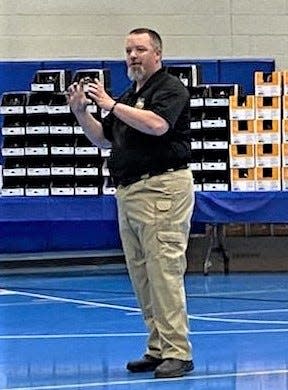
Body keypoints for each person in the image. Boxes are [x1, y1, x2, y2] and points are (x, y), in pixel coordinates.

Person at [67, 28, 194, 379]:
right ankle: (158, 347)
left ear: (158, 54)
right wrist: (81, 113)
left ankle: (178, 352)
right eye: (128, 51)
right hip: (129, 193)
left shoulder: (169, 89)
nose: (133, 57)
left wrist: (110, 104)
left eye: (140, 49)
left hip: (161, 189)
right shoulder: (128, 95)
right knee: (142, 275)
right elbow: (104, 139)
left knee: (164, 272)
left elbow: (157, 126)